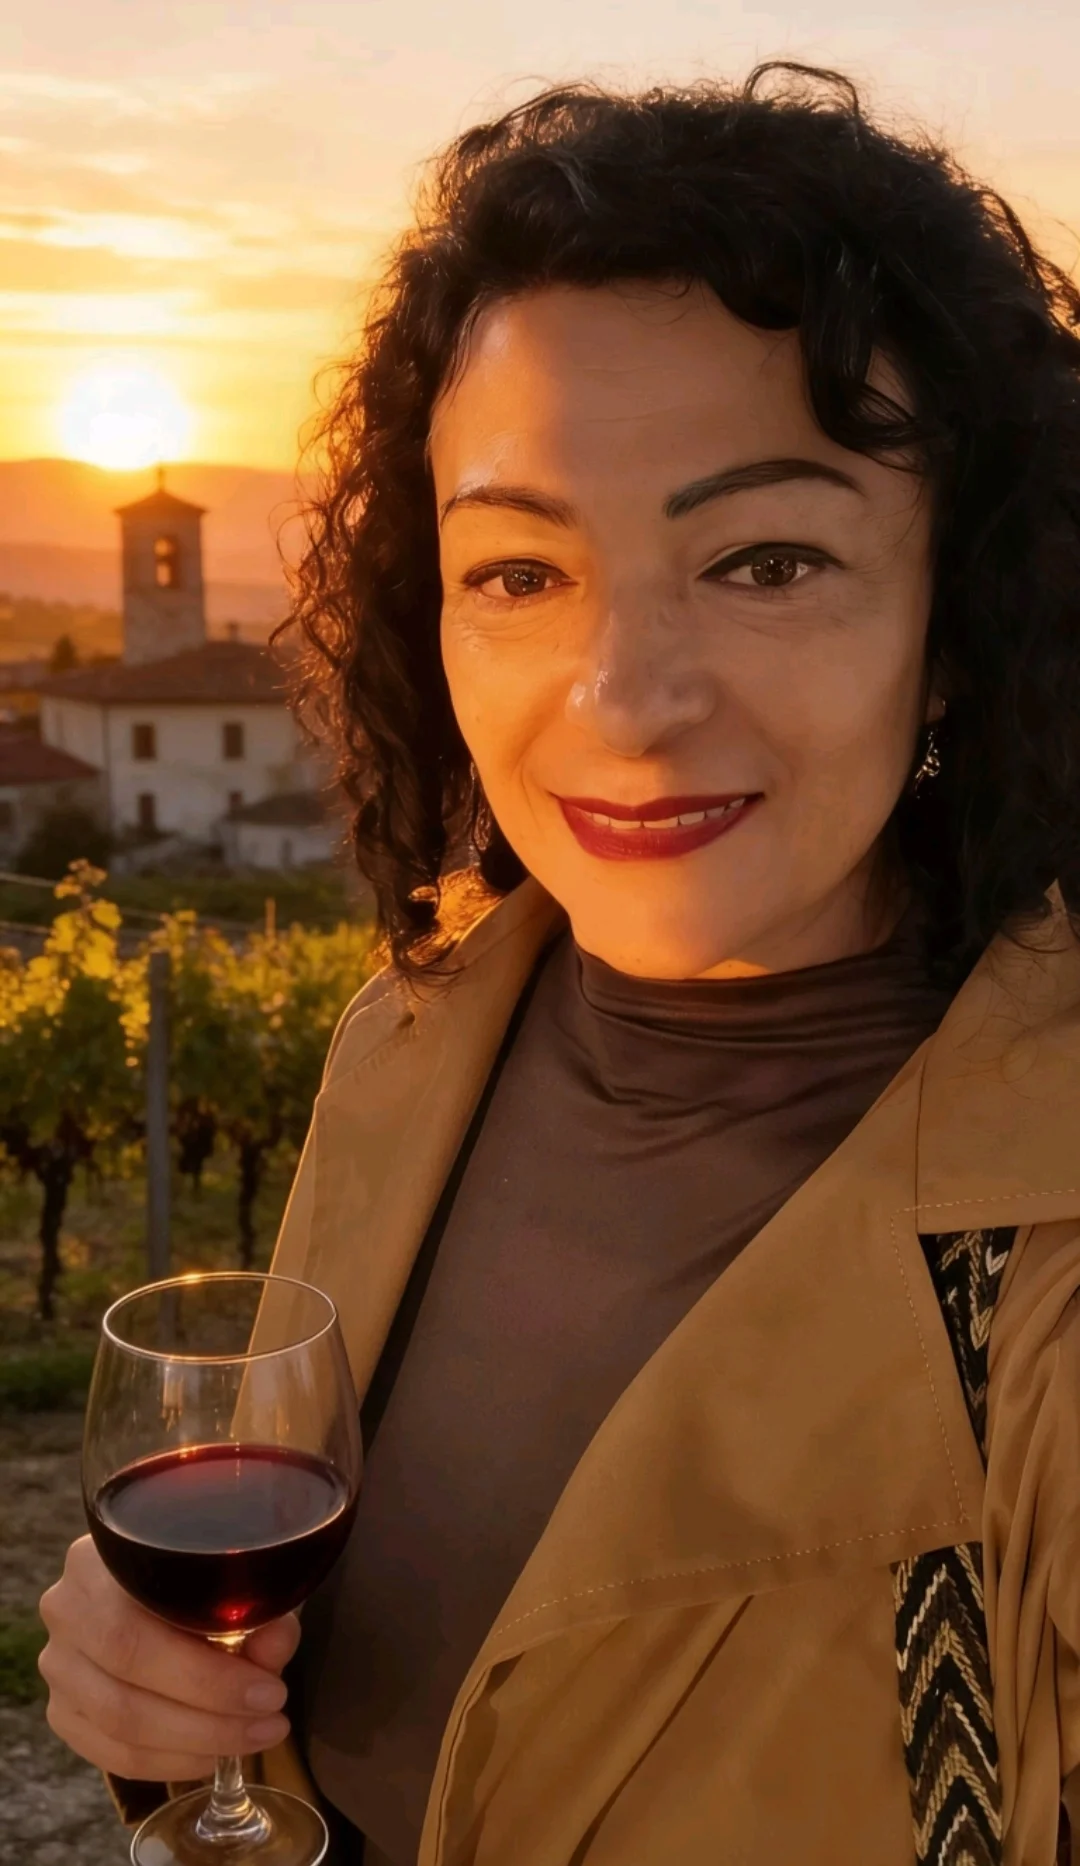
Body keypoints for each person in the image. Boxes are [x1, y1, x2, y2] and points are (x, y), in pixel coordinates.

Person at [37, 60, 1080, 1866]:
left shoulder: (1050, 1244)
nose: (624, 701)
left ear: (958, 628)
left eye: (767, 560)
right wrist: (172, 1720)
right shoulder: (414, 1035)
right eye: (520, 573)